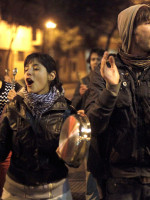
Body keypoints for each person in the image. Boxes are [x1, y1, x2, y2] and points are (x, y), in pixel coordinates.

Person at [85, 4, 150, 200]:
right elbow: (92, 125)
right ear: (130, 31)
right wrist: (111, 89)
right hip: (119, 181)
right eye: (148, 22)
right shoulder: (106, 69)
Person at [0, 53, 74, 200]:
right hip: (16, 191)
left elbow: (73, 159)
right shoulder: (12, 108)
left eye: (36, 68)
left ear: (51, 75)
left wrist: (75, 143)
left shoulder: (66, 111)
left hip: (55, 192)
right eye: (26, 68)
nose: (28, 72)